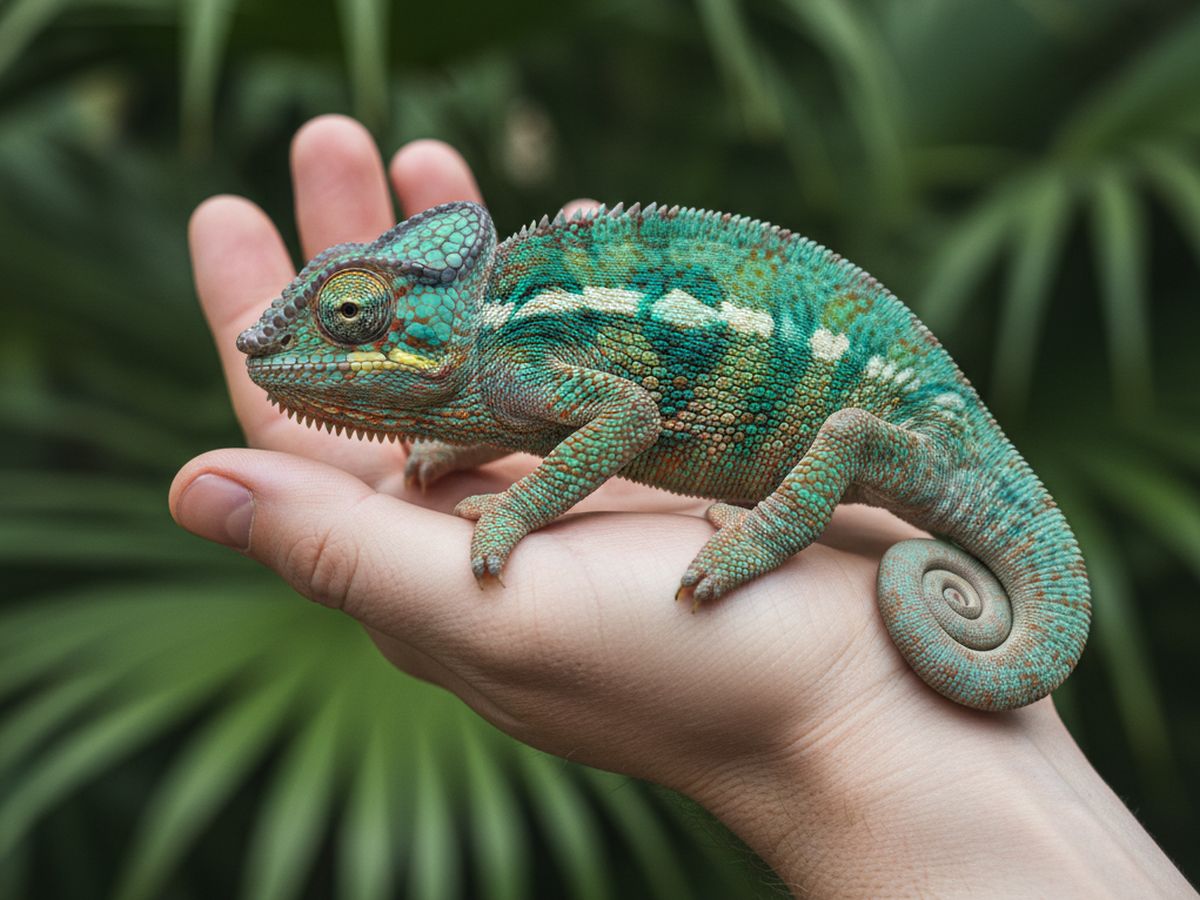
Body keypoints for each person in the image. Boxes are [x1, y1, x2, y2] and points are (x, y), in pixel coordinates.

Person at [170, 115, 1194, 897]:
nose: (323, 351)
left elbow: (617, 418)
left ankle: (784, 530)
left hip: (885, 418)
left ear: (438, 320)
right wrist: (463, 442)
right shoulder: (496, 367)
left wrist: (526, 513)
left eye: (350, 320)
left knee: (843, 436)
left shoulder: (510, 350)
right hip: (850, 406)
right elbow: (550, 408)